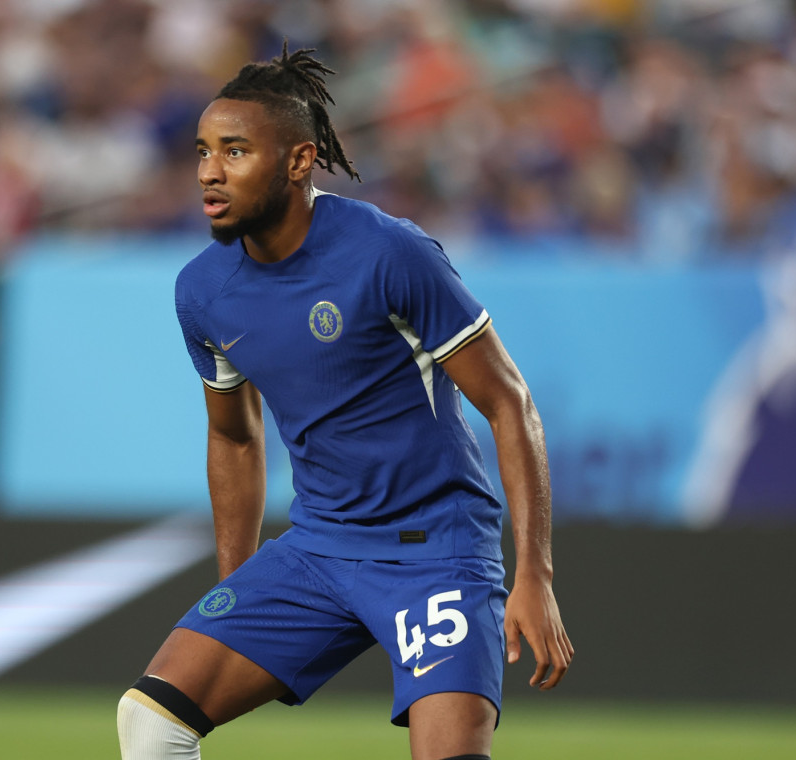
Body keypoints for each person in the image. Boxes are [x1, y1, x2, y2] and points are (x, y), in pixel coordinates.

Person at [117, 42, 573, 760]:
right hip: (319, 548)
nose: (209, 171)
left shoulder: (389, 253)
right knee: (150, 722)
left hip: (436, 552)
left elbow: (509, 403)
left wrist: (534, 576)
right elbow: (234, 436)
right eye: (203, 151)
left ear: (299, 160)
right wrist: (240, 587)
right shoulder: (202, 292)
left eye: (235, 151)